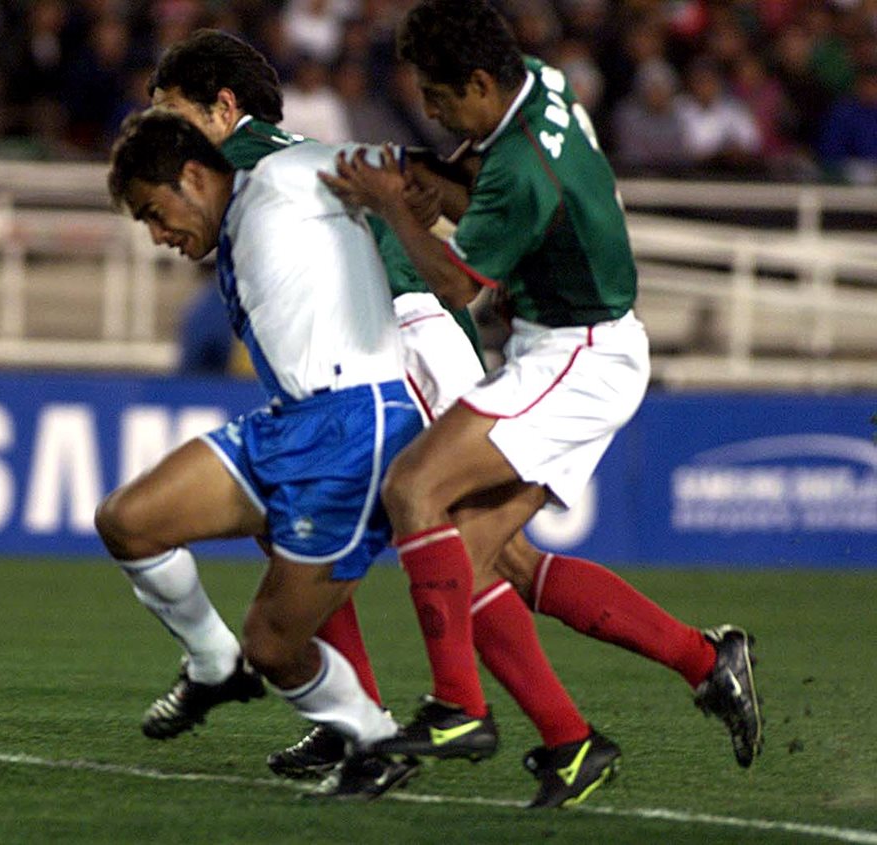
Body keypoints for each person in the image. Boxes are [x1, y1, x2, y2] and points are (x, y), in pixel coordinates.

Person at [321, 0, 763, 808]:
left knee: (415, 489)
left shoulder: (524, 170)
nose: (432, 109)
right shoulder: (546, 88)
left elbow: (458, 285)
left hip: (575, 354)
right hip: (579, 344)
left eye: (441, 95)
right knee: (475, 549)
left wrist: (393, 201)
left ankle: (459, 708)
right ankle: (668, 684)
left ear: (483, 82)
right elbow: (483, 185)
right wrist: (433, 178)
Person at [146, 27, 499, 783]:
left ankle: (670, 670)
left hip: (410, 339)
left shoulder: (237, 159)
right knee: (287, 522)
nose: (164, 134)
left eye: (172, 115)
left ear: (222, 108)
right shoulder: (285, 153)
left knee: (491, 552)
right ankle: (355, 721)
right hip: (390, 336)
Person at [100, 108, 427, 800]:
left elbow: (401, 162)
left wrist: (489, 189)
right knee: (130, 520)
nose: (159, 236)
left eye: (156, 213)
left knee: (276, 645)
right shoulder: (245, 215)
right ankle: (213, 662)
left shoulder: (281, 179)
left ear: (194, 175)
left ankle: (375, 742)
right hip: (291, 425)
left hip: (356, 429)